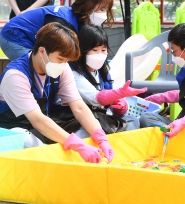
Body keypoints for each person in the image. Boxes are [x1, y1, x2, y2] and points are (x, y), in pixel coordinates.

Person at [0, 22, 114, 164]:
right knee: (22, 135)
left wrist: (101, 137)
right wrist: (78, 145)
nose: (64, 64)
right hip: (11, 136)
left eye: (67, 60)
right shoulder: (16, 76)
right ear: (42, 52)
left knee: (89, 132)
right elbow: (38, 120)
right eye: (60, 59)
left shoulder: (62, 68)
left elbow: (78, 107)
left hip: (43, 129)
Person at [67, 24, 147, 138]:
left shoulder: (103, 73)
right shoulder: (73, 73)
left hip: (100, 118)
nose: (99, 55)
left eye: (103, 50)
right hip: (76, 121)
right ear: (81, 50)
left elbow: (111, 106)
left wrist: (121, 106)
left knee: (133, 121)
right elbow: (95, 98)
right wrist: (119, 93)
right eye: (94, 50)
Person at [0, 0, 114, 60]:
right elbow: (52, 53)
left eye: (106, 10)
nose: (104, 15)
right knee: (37, 67)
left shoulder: (77, 21)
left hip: (27, 38)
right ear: (88, 6)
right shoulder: (62, 22)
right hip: (14, 37)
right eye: (101, 10)